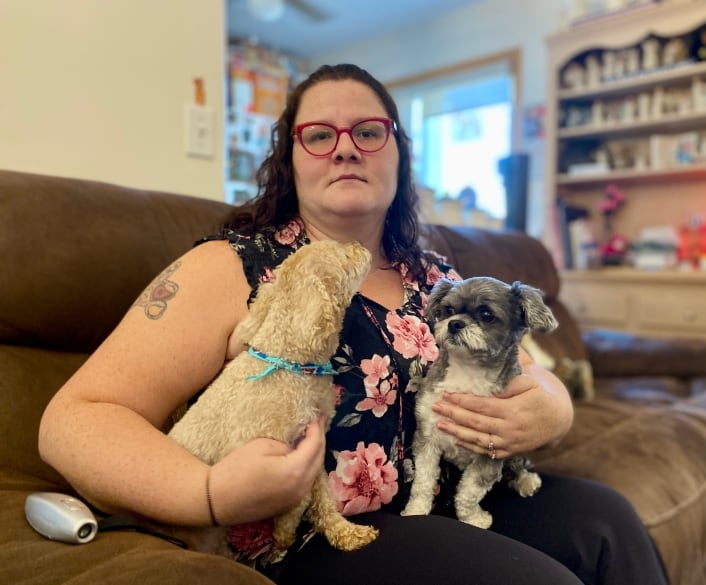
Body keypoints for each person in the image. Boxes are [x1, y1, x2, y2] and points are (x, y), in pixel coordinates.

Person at [39, 63, 668, 585]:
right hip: (321, 535)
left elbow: (528, 374)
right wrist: (207, 492)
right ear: (292, 158)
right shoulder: (232, 267)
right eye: (318, 135)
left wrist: (553, 408)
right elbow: (77, 418)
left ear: (399, 153)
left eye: (369, 131)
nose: (344, 146)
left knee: (607, 521)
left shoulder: (435, 276)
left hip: (446, 494)